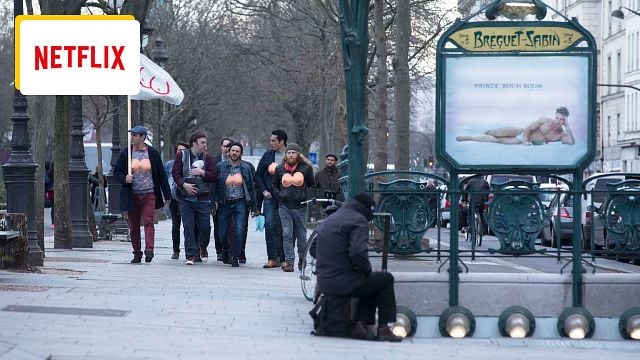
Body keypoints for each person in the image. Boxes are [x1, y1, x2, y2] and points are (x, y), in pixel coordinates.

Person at [310, 192, 402, 342]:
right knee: (384, 279)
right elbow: (358, 253)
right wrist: (366, 270)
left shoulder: (331, 218)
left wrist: (334, 261)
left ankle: (360, 326)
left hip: (324, 282)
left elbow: (313, 249)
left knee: (371, 281)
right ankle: (383, 328)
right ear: (368, 210)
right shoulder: (358, 220)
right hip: (342, 283)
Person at [113, 126, 171, 264]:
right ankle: (137, 253)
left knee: (148, 221)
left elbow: (161, 175)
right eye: (131, 135)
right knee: (133, 225)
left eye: (135, 135)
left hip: (149, 194)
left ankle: (149, 249)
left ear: (143, 137)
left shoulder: (153, 154)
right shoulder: (126, 154)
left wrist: (167, 194)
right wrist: (125, 178)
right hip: (132, 195)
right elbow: (117, 172)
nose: (132, 138)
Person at [172, 130, 217, 266]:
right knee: (188, 226)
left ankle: (202, 246)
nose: (205, 145)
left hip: (203, 199)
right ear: (194, 143)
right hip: (186, 199)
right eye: (202, 143)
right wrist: (184, 185)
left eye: (205, 143)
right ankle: (191, 254)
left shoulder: (208, 159)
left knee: (205, 227)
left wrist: (202, 172)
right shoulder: (182, 156)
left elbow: (214, 176)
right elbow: (176, 173)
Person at [271, 142, 315, 272]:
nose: (290, 155)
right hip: (284, 206)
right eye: (288, 153)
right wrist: (280, 196)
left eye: (293, 153)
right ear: (285, 155)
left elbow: (312, 186)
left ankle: (302, 257)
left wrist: (305, 196)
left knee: (302, 236)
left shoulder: (306, 169)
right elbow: (274, 185)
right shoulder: (279, 169)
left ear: (298, 154)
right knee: (287, 234)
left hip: (300, 207)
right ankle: (289, 262)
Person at [215, 142, 258, 267]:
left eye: (237, 151)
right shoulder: (220, 166)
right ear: (229, 152)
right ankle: (226, 251)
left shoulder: (246, 167)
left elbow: (251, 188)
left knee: (239, 231)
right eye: (232, 150)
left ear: (241, 153)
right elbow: (215, 186)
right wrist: (214, 202)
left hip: (240, 202)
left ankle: (235, 256)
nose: (234, 153)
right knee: (222, 233)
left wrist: (254, 207)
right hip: (224, 203)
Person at [455, 107, 575, 145]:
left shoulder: (561, 134)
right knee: (497, 133)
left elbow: (570, 142)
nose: (559, 121)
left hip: (524, 142)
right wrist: (525, 140)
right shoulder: (545, 120)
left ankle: (469, 137)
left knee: (498, 141)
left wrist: (568, 126)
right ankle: (489, 130)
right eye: (557, 118)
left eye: (562, 119)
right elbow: (529, 128)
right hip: (521, 133)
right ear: (555, 115)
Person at [255, 130, 287, 269]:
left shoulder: (290, 155)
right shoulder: (268, 155)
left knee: (284, 228)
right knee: (269, 225)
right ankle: (272, 258)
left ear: (282, 142)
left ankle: (284, 258)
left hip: (286, 198)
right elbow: (258, 175)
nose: (271, 143)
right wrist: (264, 190)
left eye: (274, 140)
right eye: (271, 140)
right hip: (270, 197)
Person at [164, 141, 189, 260]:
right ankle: (176, 250)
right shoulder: (169, 165)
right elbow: (164, 181)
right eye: (179, 150)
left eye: (183, 151)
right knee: (175, 225)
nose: (181, 153)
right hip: (174, 199)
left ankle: (190, 250)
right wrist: (165, 195)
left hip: (186, 199)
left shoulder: (190, 165)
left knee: (188, 225)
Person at [212, 137, 233, 261]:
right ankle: (219, 250)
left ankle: (231, 251)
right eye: (224, 146)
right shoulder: (214, 161)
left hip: (232, 200)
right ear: (221, 147)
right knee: (218, 226)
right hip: (218, 199)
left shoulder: (237, 162)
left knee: (232, 227)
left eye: (229, 146)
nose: (226, 149)